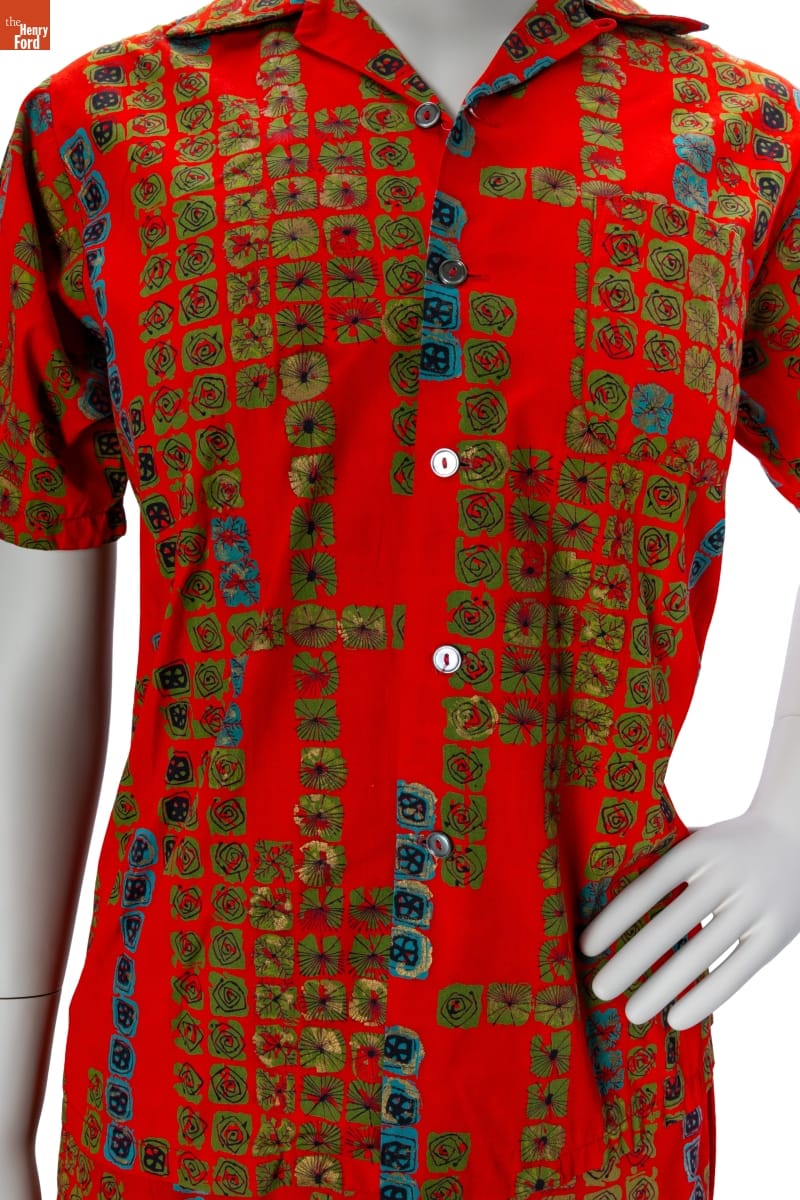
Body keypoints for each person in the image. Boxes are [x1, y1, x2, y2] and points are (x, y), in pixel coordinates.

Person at [2, 0, 800, 1196]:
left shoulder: (741, 140)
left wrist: (790, 820)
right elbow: (31, 598)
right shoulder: (104, 128)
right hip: (209, 1084)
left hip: (578, 1080)